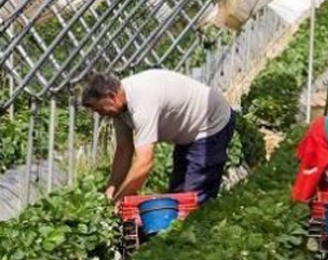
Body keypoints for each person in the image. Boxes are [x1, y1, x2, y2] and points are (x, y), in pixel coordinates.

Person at [81, 69, 237, 204]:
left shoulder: (142, 103)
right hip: (188, 133)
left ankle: (203, 226)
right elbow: (123, 151)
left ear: (111, 96)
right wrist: (110, 192)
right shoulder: (119, 109)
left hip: (210, 124)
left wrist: (120, 201)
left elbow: (144, 164)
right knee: (178, 196)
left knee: (192, 200)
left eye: (100, 109)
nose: (101, 115)